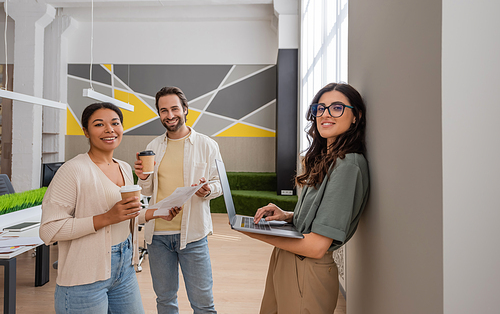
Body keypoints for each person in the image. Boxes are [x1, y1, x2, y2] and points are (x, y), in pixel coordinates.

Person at [39, 102, 179, 314]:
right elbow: (49, 230)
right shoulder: (73, 170)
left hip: (124, 269)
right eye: (99, 124)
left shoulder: (123, 166)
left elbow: (127, 215)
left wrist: (158, 213)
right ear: (85, 131)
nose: (109, 130)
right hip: (84, 278)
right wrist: (106, 217)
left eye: (115, 123)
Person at [245, 83, 370, 313]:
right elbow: (320, 218)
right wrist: (288, 216)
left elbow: (316, 247)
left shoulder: (348, 166)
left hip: (307, 269)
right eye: (320, 108)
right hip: (288, 260)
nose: (325, 114)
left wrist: (256, 232)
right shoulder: (328, 158)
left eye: (337, 107)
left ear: (356, 116)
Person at [135, 86, 222, 314]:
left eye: (174, 108)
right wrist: (143, 178)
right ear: (159, 114)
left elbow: (220, 183)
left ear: (185, 109)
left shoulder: (207, 145)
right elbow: (146, 191)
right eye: (164, 110)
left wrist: (208, 189)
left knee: (203, 304)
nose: (170, 115)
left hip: (193, 235)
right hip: (158, 238)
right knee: (165, 301)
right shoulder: (153, 147)